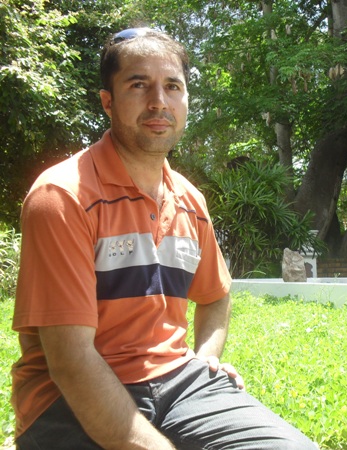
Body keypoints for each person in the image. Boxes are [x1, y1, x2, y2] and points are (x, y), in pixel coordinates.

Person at [11, 27, 316, 450]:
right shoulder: (63, 196)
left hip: (178, 382)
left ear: (186, 101)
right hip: (66, 399)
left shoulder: (190, 201)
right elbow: (71, 362)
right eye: (139, 85)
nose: (159, 101)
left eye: (173, 86)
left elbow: (216, 297)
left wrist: (206, 360)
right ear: (107, 102)